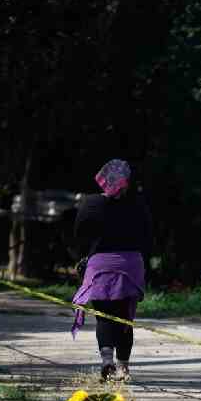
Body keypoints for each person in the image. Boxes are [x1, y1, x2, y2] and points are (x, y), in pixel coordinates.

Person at [73, 159, 153, 382]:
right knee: (124, 318)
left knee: (104, 317)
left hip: (100, 266)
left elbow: (79, 234)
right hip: (131, 266)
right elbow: (148, 237)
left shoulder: (90, 203)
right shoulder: (138, 204)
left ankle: (107, 360)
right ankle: (124, 368)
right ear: (127, 181)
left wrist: (82, 256)